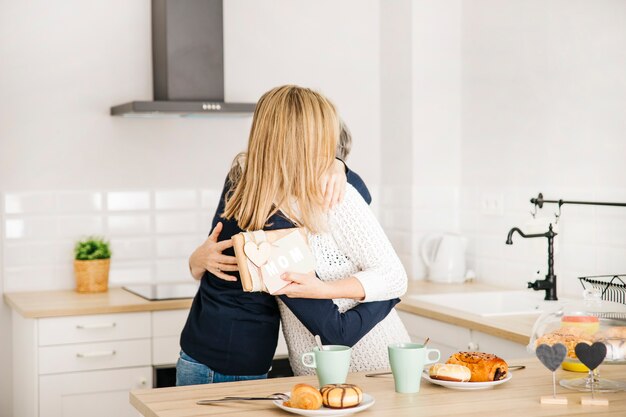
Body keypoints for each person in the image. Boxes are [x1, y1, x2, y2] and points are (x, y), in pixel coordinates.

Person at [178, 85, 409, 385]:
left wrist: (339, 167)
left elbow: (356, 197)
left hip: (218, 349)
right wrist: (389, 294)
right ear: (302, 141)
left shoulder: (248, 183)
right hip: (228, 363)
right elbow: (335, 330)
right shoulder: (271, 218)